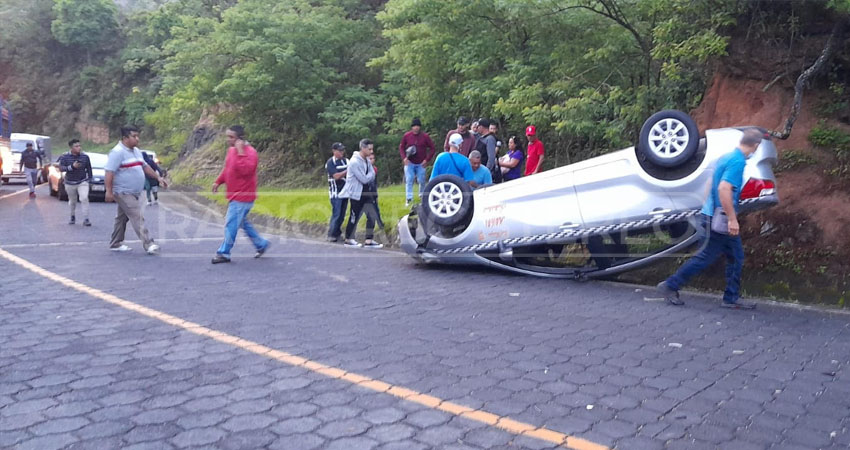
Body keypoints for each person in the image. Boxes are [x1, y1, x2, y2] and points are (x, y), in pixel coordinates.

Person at [656, 128, 765, 309]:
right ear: (755, 145)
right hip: (719, 220)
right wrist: (731, 219)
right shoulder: (738, 162)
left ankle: (731, 298)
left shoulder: (726, 157)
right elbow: (724, 189)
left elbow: (710, 183)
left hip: (711, 215)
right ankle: (670, 285)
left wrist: (707, 208)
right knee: (705, 257)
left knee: (735, 256)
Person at [210, 126, 271, 264]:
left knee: (231, 224)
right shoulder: (231, 151)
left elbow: (247, 171)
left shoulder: (250, 153)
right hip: (235, 195)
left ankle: (224, 253)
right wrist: (218, 181)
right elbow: (228, 169)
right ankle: (261, 244)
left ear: (240, 139)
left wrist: (241, 152)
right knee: (243, 223)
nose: (228, 140)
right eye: (228, 136)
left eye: (231, 137)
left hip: (243, 196)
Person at [105, 125, 168, 254]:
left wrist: (158, 178)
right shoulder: (117, 152)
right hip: (123, 191)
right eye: (134, 136)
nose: (137, 139)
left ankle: (115, 243)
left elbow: (145, 167)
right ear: (125, 138)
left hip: (134, 192)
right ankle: (148, 243)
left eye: (137, 136)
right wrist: (109, 191)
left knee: (122, 218)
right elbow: (109, 173)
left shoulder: (136, 151)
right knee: (136, 215)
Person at [340, 139, 382, 248]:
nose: (371, 151)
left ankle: (369, 240)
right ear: (362, 148)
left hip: (367, 192)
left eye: (372, 149)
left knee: (372, 215)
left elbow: (372, 172)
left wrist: (370, 175)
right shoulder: (354, 162)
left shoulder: (367, 160)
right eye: (369, 149)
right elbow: (363, 178)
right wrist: (370, 176)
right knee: (354, 216)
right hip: (356, 193)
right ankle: (348, 238)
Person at [399, 118, 436, 206]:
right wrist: (404, 158)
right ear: (412, 127)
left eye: (417, 126)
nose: (416, 128)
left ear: (420, 127)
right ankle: (409, 198)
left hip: (421, 163)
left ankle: (422, 195)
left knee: (422, 180)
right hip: (410, 162)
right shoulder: (407, 136)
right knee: (409, 179)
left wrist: (427, 160)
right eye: (414, 126)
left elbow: (432, 148)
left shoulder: (425, 137)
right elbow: (401, 147)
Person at [58, 139, 93, 226]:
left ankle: (86, 218)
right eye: (76, 146)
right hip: (70, 182)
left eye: (79, 146)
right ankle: (72, 216)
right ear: (71, 148)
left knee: (84, 198)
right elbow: (61, 168)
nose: (79, 148)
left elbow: (89, 168)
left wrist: (90, 179)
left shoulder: (85, 157)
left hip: (82, 181)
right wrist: (71, 167)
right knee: (72, 201)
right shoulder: (65, 157)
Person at [326, 142, 348, 242]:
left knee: (342, 214)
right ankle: (331, 234)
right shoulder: (330, 163)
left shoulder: (345, 161)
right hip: (335, 193)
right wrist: (348, 171)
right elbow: (336, 176)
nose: (341, 152)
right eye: (339, 150)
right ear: (334, 151)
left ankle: (337, 233)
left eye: (342, 150)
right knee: (337, 213)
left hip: (345, 191)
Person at [364, 153, 385, 230]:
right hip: (365, 193)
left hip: (373, 192)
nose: (372, 160)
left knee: (376, 208)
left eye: (373, 158)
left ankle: (380, 224)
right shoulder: (363, 169)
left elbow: (375, 183)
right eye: (370, 159)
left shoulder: (375, 169)